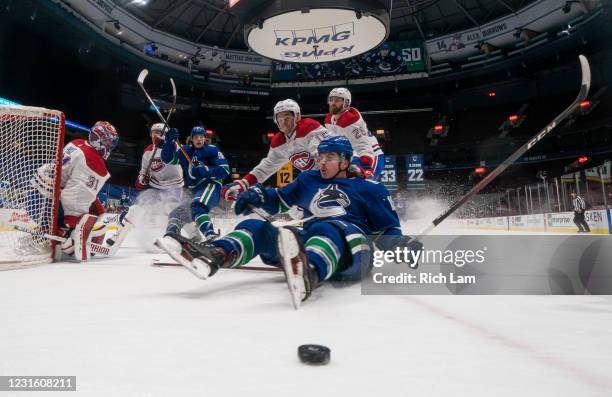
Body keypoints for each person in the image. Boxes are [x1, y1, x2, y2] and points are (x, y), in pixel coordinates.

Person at [157, 136, 420, 304]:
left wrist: (403, 245)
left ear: (345, 161)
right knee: (257, 226)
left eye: (330, 158)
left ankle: (310, 272)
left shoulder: (370, 188)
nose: (323, 163)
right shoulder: (309, 179)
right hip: (313, 236)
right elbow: (279, 198)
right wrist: (256, 195)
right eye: (321, 158)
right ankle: (216, 255)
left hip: (353, 250)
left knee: (326, 226)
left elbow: (387, 230)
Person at [30, 121, 119, 261]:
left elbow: (73, 183)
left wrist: (99, 210)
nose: (110, 145)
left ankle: (44, 232)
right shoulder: (93, 161)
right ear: (96, 139)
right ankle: (54, 234)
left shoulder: (77, 143)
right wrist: (72, 226)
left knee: (95, 214)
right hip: (47, 207)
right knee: (92, 231)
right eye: (107, 141)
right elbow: (76, 195)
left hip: (35, 196)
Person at [221, 99, 328, 200]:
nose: (283, 122)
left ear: (297, 116)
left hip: (332, 178)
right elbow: (266, 167)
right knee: (295, 210)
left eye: (287, 118)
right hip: (314, 183)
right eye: (279, 119)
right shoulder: (279, 141)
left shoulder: (309, 127)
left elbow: (327, 154)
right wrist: (244, 183)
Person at [160, 125, 229, 240]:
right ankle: (171, 237)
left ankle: (211, 235)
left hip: (210, 185)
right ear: (191, 138)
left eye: (201, 137)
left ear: (205, 138)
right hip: (193, 189)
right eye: (196, 137)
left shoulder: (212, 150)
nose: (199, 139)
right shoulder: (185, 150)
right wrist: (168, 143)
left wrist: (206, 170)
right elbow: (167, 159)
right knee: (176, 214)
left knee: (197, 207)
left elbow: (225, 171)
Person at [324, 87, 385, 179]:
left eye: (337, 100)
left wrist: (366, 168)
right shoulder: (329, 119)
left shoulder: (351, 120)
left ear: (346, 103)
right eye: (331, 100)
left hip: (371, 155)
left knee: (365, 183)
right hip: (353, 155)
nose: (332, 103)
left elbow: (363, 146)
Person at [135, 123, 183, 190]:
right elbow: (144, 170)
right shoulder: (148, 150)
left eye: (159, 132)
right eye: (153, 132)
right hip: (155, 185)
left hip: (174, 185)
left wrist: (169, 143)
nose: (155, 135)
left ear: (166, 135)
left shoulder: (174, 146)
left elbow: (179, 158)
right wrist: (142, 178)